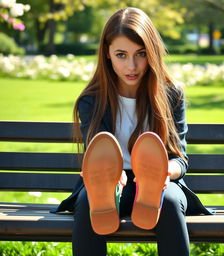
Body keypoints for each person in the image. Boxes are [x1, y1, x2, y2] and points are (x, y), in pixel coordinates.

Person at [50, 7, 214, 256]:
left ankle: (150, 183)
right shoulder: (92, 101)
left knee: (168, 200)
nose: (132, 65)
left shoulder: (171, 95)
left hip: (160, 181)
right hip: (110, 181)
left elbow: (180, 158)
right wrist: (110, 175)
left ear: (153, 53)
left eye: (141, 54)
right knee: (89, 202)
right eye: (121, 55)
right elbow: (97, 152)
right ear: (107, 54)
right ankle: (109, 187)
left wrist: (163, 172)